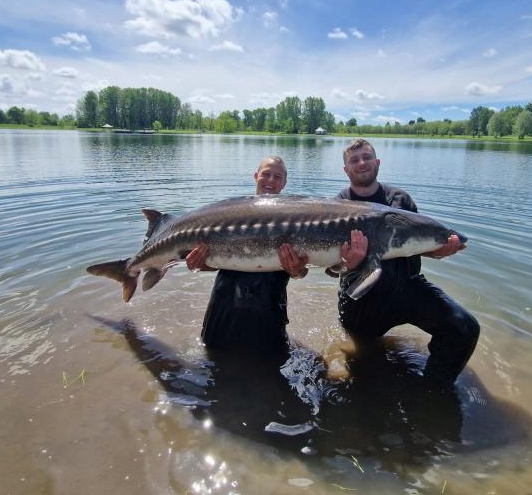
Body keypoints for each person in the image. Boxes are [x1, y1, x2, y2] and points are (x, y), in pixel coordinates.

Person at [334, 139, 480, 385]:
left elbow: (419, 247)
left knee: (464, 328)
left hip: (407, 288)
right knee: (362, 367)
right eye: (354, 160)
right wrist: (352, 262)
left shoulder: (400, 199)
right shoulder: (337, 206)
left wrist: (440, 250)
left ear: (377, 162)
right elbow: (330, 268)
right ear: (346, 169)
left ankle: (433, 390)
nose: (362, 163)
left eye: (367, 157)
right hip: (362, 295)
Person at [184, 156, 312, 355]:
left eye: (277, 177)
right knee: (213, 364)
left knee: (271, 367)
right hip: (224, 308)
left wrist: (297, 271)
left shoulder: (296, 219)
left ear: (284, 183)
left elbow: (302, 271)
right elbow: (215, 264)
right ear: (255, 176)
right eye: (266, 174)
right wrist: (197, 263)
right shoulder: (232, 214)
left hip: (269, 311)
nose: (271, 180)